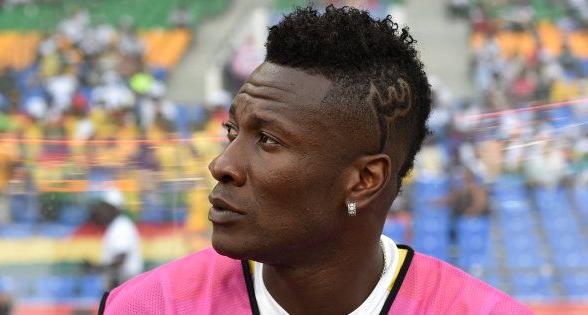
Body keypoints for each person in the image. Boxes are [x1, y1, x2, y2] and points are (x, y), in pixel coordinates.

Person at [100, 6, 531, 314]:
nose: (221, 165)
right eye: (232, 132)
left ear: (364, 180)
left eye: (267, 139)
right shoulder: (147, 305)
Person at [85, 190, 143, 291]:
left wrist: (97, 268)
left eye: (106, 207)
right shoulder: (116, 226)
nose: (101, 211)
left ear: (115, 209)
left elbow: (121, 259)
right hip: (120, 286)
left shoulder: (121, 226)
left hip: (122, 286)